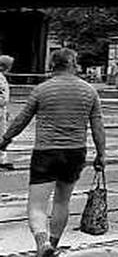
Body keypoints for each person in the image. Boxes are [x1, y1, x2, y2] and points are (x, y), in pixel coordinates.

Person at [0, 49, 107, 257]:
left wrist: (4, 141)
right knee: (62, 201)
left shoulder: (41, 90)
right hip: (75, 153)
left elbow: (22, 119)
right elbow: (98, 126)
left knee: (37, 205)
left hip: (46, 152)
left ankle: (42, 245)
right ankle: (54, 245)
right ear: (73, 64)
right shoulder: (89, 91)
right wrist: (101, 154)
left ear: (52, 65)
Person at [0, 54, 14, 170]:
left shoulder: (1, 77)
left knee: (3, 136)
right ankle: (1, 160)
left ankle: (2, 159)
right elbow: (2, 97)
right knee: (3, 137)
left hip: (2, 111)